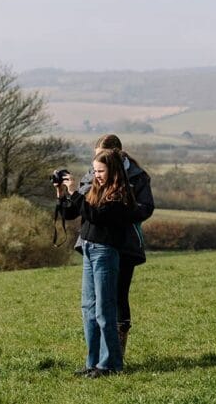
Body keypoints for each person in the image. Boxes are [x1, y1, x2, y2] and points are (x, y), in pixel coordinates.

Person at [57, 148, 137, 378]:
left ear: (112, 170)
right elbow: (72, 211)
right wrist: (63, 193)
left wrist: (76, 192)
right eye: (94, 170)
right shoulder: (96, 189)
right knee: (88, 309)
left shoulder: (121, 194)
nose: (96, 174)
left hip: (105, 252)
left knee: (105, 309)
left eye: (100, 171)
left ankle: (110, 364)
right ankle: (93, 363)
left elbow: (96, 215)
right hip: (90, 250)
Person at [75, 134, 155, 357]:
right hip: (94, 240)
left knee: (118, 295)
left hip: (125, 242)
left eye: (101, 156)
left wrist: (120, 213)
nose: (97, 163)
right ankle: (101, 356)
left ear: (117, 154)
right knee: (93, 301)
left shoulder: (138, 177)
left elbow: (146, 207)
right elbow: (81, 204)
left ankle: (116, 350)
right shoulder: (93, 173)